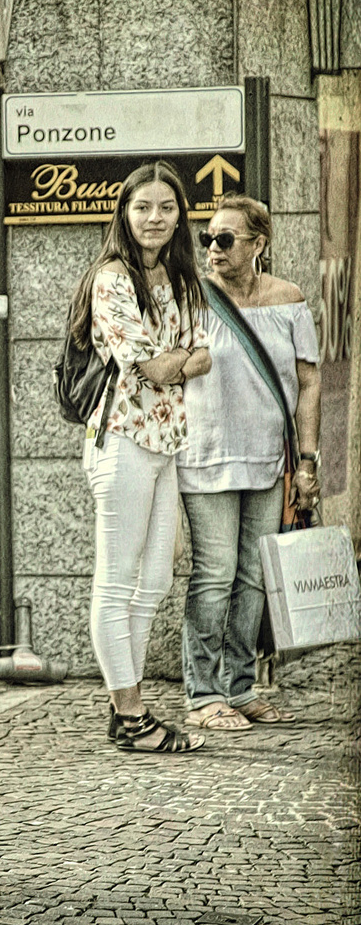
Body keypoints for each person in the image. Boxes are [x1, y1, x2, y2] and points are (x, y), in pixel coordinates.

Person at [71, 160, 212, 752]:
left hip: (168, 442)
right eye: (142, 207)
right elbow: (158, 365)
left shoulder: (183, 278)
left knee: (154, 579)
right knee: (117, 578)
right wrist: (176, 357)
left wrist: (173, 358)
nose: (154, 218)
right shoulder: (111, 279)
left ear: (180, 215)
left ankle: (120, 702)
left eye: (166, 207)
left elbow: (205, 354)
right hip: (123, 441)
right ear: (124, 215)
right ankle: (131, 714)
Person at [177, 193, 321, 731]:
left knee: (255, 576)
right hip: (205, 456)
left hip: (269, 459)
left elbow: (309, 383)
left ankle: (239, 686)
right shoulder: (191, 298)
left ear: (259, 244)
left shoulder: (289, 300)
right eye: (207, 238)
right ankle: (202, 694)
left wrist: (307, 461)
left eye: (226, 239)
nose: (213, 248)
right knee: (214, 575)